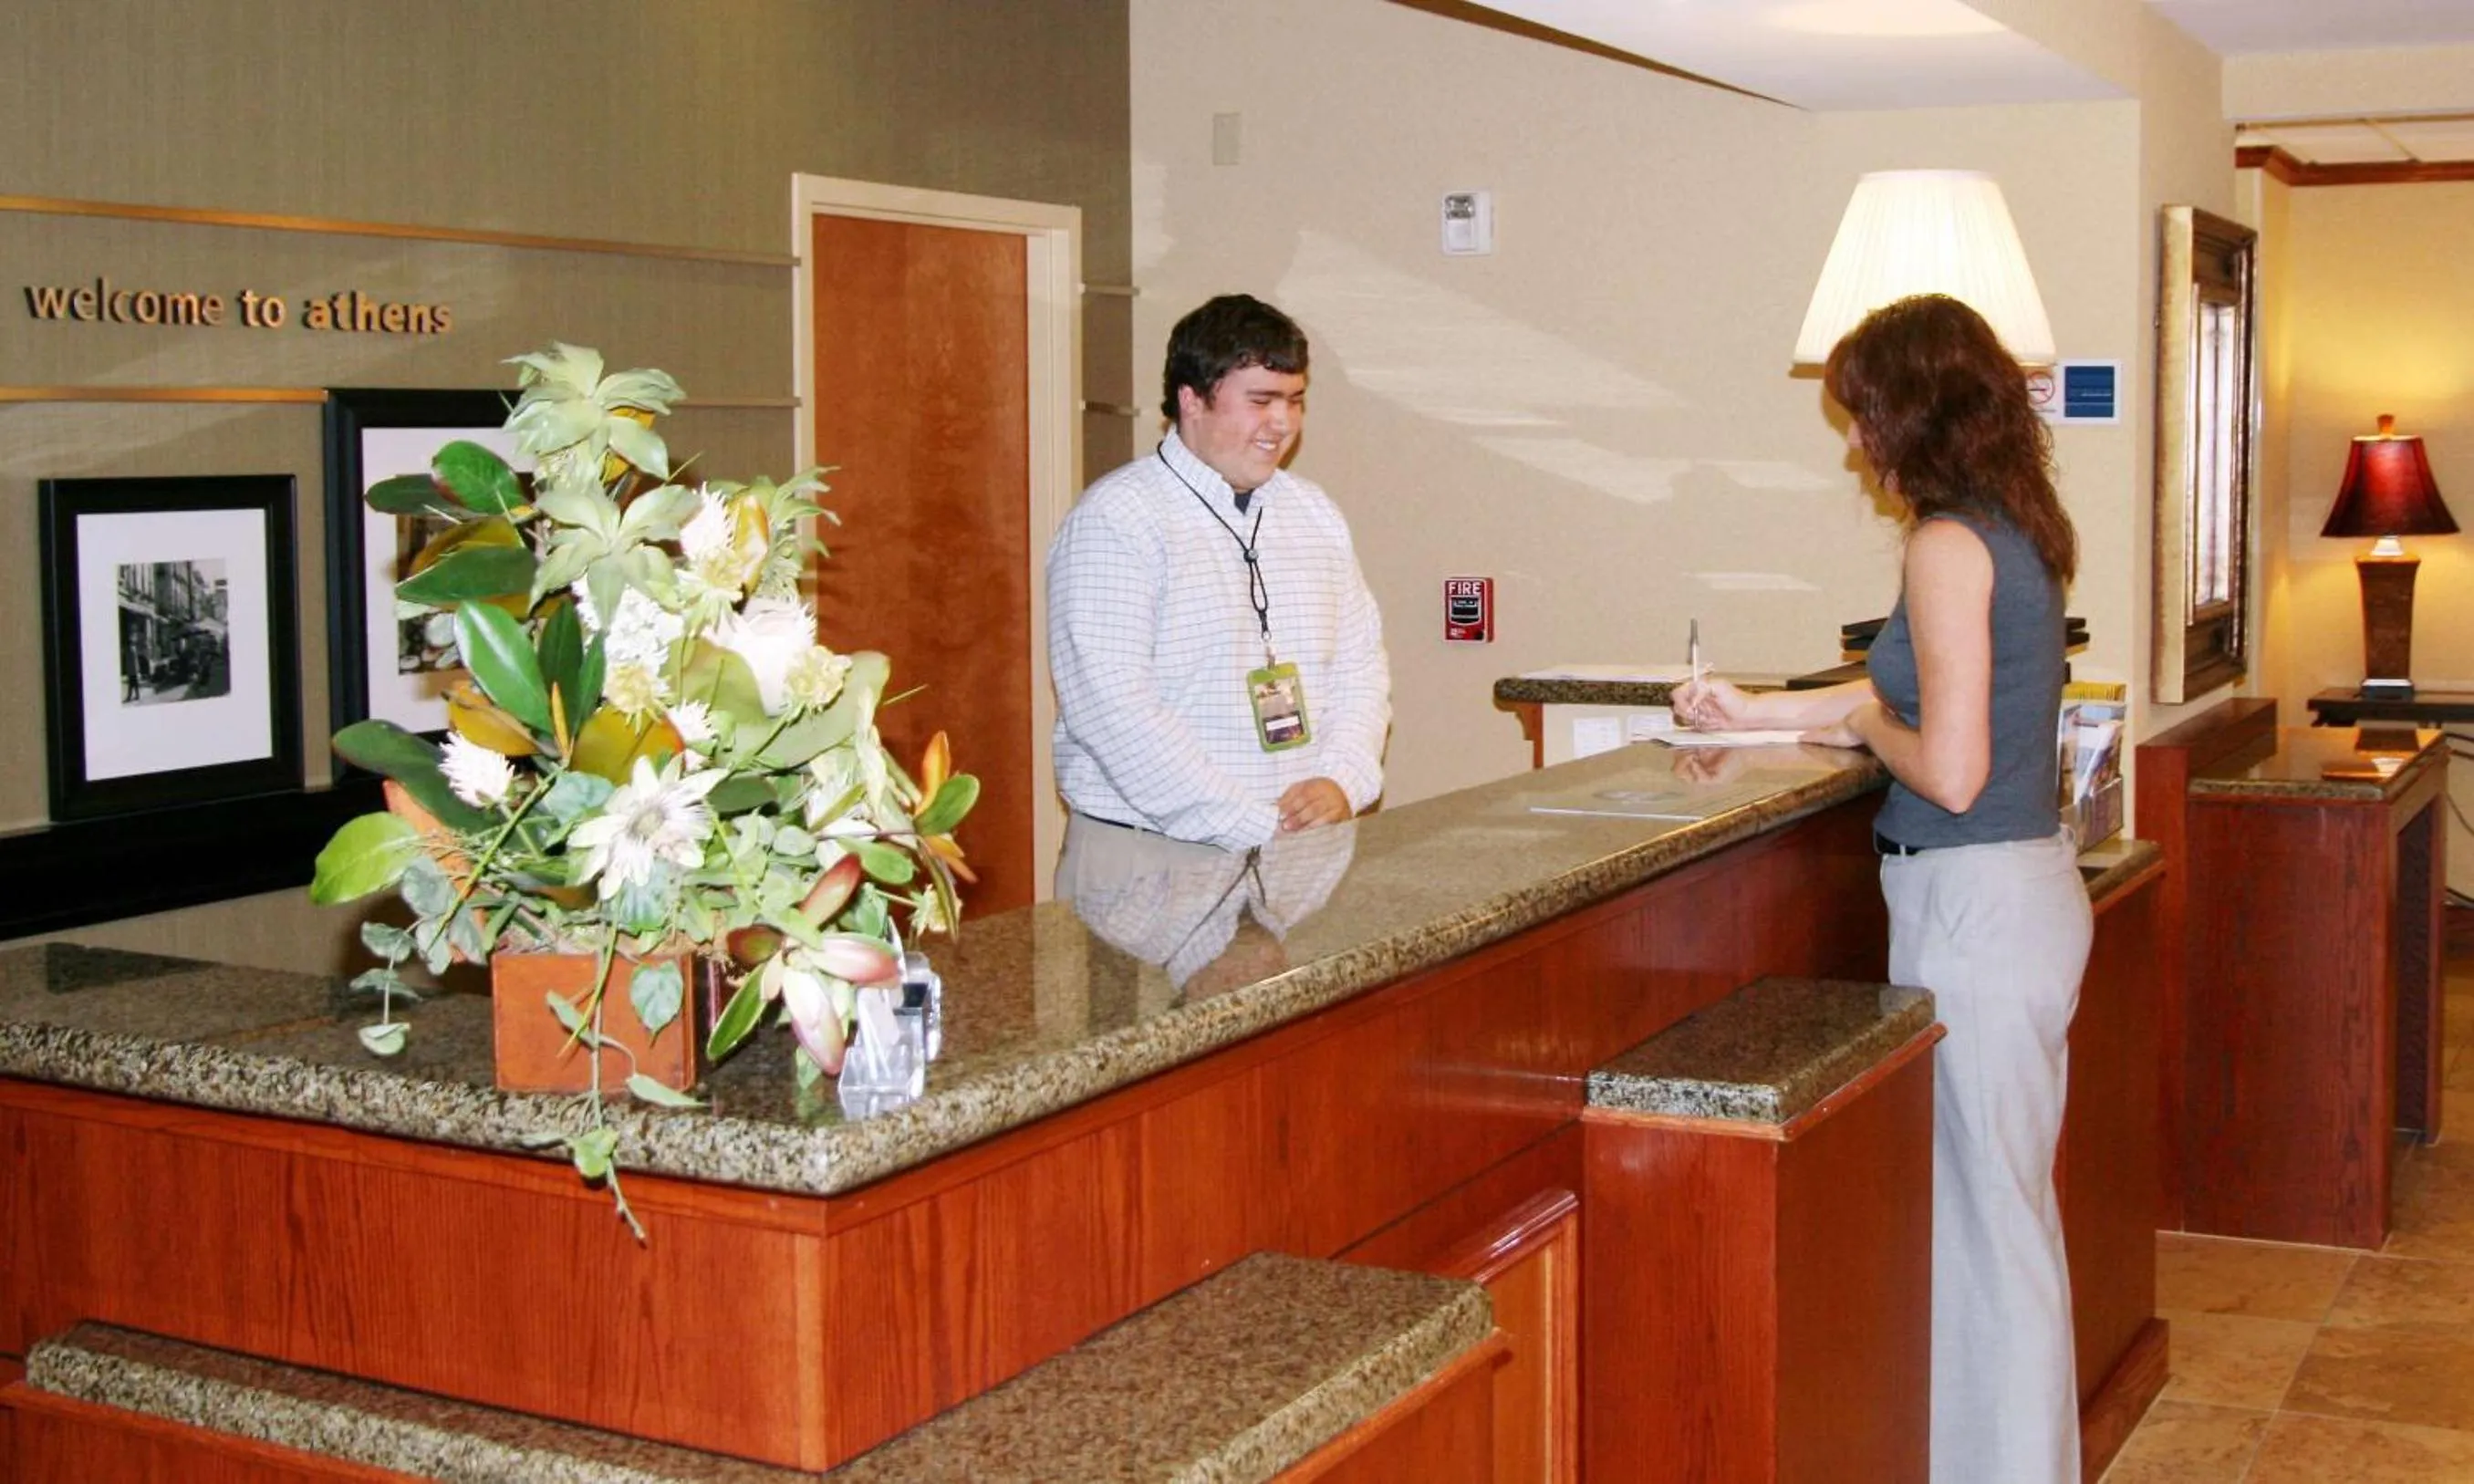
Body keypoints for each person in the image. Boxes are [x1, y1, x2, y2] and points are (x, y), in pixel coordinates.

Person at [1674, 294, 2093, 1484]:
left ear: (1915, 409)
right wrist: (1762, 711)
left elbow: (1946, 766)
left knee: (1991, 1224)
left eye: (1862, 413)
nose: (1857, 441)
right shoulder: (2010, 524)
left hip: (1974, 905)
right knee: (1997, 1210)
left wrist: (1860, 724)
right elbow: (1909, 686)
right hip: (2016, 896)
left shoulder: (1947, 545)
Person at [1047, 294, 1390, 861]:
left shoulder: (1313, 512)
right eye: (1261, 401)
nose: (1282, 423)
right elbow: (1113, 711)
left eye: (1294, 401)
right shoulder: (1119, 518)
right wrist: (1250, 824)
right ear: (1192, 399)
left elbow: (1359, 668)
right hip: (1149, 853)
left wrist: (1342, 780)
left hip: (1295, 849)